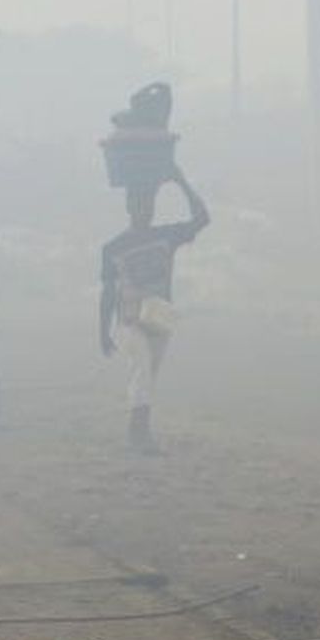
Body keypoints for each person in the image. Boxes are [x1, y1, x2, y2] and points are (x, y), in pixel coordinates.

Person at [99, 166, 210, 453]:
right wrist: (103, 331)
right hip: (129, 320)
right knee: (143, 370)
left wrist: (182, 181)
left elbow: (202, 219)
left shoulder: (167, 236)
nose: (143, 208)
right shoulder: (113, 247)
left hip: (160, 318)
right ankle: (139, 437)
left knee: (148, 376)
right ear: (129, 206)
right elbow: (108, 292)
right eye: (138, 203)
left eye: (147, 203)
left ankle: (138, 432)